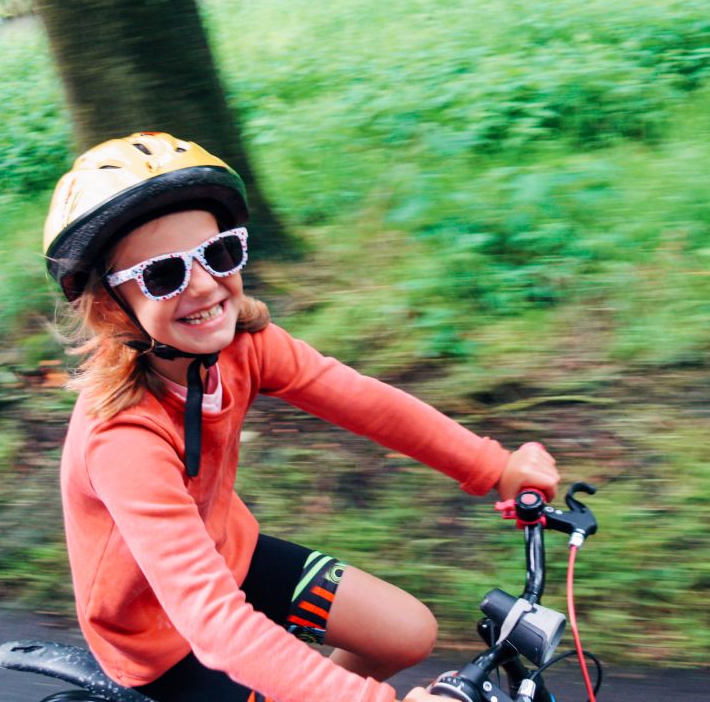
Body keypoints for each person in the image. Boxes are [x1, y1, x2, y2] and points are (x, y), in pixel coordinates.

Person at [43, 132, 561, 702]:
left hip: (232, 555)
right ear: (109, 305)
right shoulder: (122, 439)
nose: (205, 285)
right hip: (156, 633)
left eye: (219, 253)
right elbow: (212, 619)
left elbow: (369, 404)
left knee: (406, 632)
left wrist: (494, 467)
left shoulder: (243, 346)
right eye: (162, 275)